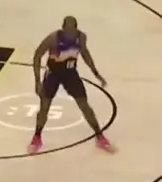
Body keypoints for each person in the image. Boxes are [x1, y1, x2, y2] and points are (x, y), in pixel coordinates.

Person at [27, 16, 114, 154]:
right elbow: (37, 55)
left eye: (72, 30)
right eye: (67, 29)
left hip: (70, 73)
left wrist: (96, 73)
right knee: (44, 106)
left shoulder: (81, 37)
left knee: (84, 105)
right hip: (53, 73)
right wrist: (37, 81)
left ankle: (99, 136)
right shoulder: (53, 38)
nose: (69, 32)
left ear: (76, 29)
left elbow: (85, 53)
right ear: (62, 28)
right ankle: (37, 137)